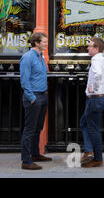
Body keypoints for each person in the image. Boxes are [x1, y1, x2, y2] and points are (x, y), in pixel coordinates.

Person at [20, 32, 51, 170]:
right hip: (34, 97)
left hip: (43, 95)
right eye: (44, 41)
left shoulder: (40, 56)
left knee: (38, 128)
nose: (46, 44)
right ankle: (26, 161)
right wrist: (32, 98)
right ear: (37, 43)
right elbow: (24, 81)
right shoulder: (27, 57)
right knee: (29, 129)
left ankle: (35, 154)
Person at [80, 37, 104, 168]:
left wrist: (93, 87)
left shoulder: (96, 59)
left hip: (95, 98)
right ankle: (89, 150)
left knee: (93, 128)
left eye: (90, 46)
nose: (88, 48)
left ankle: (97, 158)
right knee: (84, 122)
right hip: (101, 98)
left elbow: (98, 74)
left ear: (96, 48)